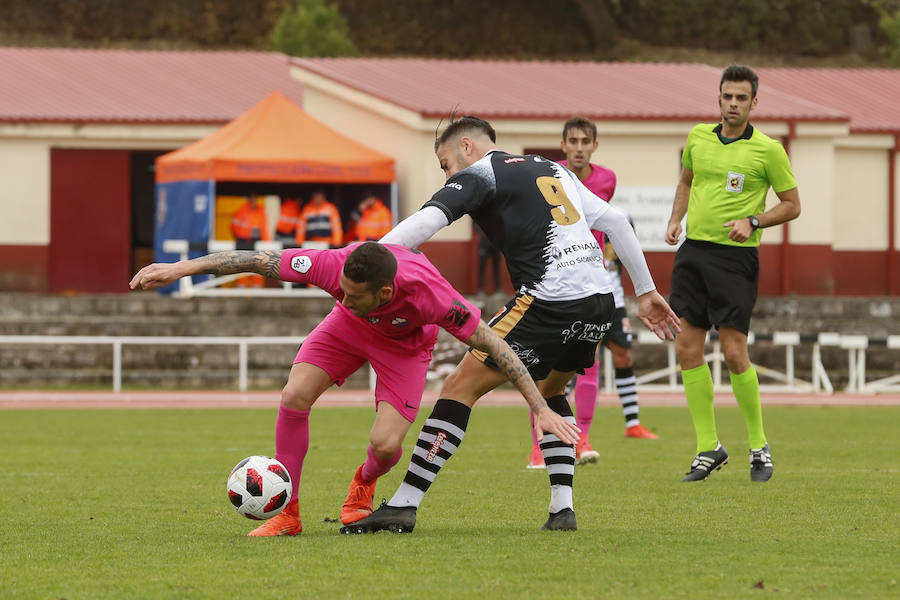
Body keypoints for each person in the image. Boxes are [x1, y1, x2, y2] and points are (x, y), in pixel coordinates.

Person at [343, 115, 679, 535]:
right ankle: (562, 509)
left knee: (458, 389)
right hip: (599, 302)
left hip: (549, 298)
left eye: (446, 164)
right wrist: (645, 291)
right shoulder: (552, 168)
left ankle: (404, 505)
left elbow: (426, 222)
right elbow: (615, 221)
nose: (447, 175)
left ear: (466, 147)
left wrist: (362, 260)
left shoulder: (480, 173)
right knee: (552, 390)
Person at [130, 241, 579, 536]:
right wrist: (181, 268)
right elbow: (257, 260)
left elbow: (494, 344)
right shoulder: (334, 269)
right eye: (339, 290)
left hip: (405, 349)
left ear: (385, 293)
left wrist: (538, 406)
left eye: (353, 294)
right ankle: (288, 513)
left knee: (385, 448)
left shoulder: (433, 296)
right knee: (294, 395)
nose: (341, 296)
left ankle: (363, 484)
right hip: (346, 333)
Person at [665, 65, 801, 483]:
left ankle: (759, 446)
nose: (733, 104)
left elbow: (792, 205)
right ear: (719, 98)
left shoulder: (768, 150)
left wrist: (755, 221)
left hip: (735, 260)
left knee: (734, 352)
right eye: (727, 96)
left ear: (754, 102)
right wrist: (675, 220)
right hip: (693, 255)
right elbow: (686, 181)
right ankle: (709, 447)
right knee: (687, 348)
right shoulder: (698, 137)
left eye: (741, 98)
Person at [527, 117, 659, 470]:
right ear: (564, 144)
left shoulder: (607, 179)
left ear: (595, 146)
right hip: (555, 276)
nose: (580, 147)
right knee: (542, 364)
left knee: (589, 360)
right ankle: (538, 446)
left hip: (593, 279)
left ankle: (581, 437)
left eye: (586, 141)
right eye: (573, 141)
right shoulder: (547, 175)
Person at [230, 193, 270, 288]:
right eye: (251, 198)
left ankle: (257, 292)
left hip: (258, 244)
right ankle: (241, 291)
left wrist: (266, 244)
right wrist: (244, 236)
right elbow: (234, 227)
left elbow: (264, 229)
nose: (253, 201)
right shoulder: (241, 211)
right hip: (243, 243)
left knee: (258, 269)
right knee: (242, 268)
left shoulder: (261, 211)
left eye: (255, 198)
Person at [473, 222, 502, 299]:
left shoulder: (497, 213)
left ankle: (497, 289)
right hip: (484, 243)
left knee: (497, 267)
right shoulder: (479, 213)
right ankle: (480, 289)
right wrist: (482, 233)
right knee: (481, 268)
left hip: (495, 244)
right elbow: (475, 224)